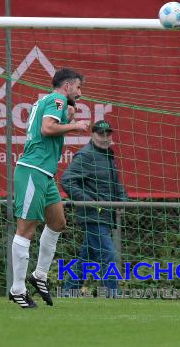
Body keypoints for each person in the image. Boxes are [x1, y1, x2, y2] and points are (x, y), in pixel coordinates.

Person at [9, 68, 90, 309]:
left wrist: (66, 117)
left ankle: (40, 276)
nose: (80, 93)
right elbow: (47, 129)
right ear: (67, 86)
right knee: (26, 229)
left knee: (57, 223)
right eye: (78, 87)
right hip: (32, 170)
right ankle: (17, 289)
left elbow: (50, 126)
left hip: (45, 173)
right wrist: (75, 125)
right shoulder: (56, 99)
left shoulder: (48, 101)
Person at [60, 120, 128, 295]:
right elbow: (67, 180)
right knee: (108, 255)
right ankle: (113, 294)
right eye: (101, 134)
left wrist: (122, 201)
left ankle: (68, 292)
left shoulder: (108, 155)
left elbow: (115, 183)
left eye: (108, 134)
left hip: (106, 215)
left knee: (87, 258)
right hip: (93, 216)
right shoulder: (85, 156)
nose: (105, 138)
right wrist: (90, 202)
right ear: (92, 135)